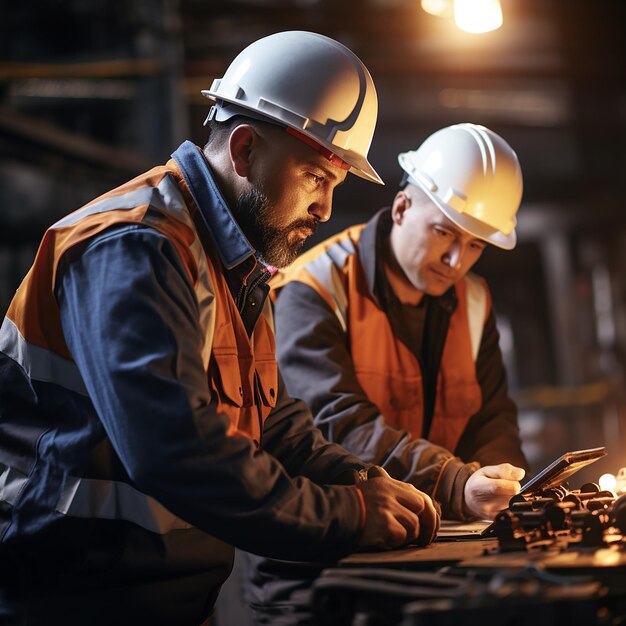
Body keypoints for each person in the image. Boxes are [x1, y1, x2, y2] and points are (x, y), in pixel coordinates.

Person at [0, 31, 440, 626]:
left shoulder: (230, 262)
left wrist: (359, 478)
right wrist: (350, 515)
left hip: (160, 598)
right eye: (316, 177)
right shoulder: (134, 247)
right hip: (71, 599)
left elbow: (273, 424)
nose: (326, 210)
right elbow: (175, 449)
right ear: (243, 149)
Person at [240, 123, 529, 624]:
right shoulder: (314, 288)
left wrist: (496, 480)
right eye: (444, 233)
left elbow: (493, 416)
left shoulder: (474, 301)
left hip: (434, 557)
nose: (456, 261)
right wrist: (456, 482)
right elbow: (338, 424)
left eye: (476, 246)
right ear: (401, 209)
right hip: (322, 573)